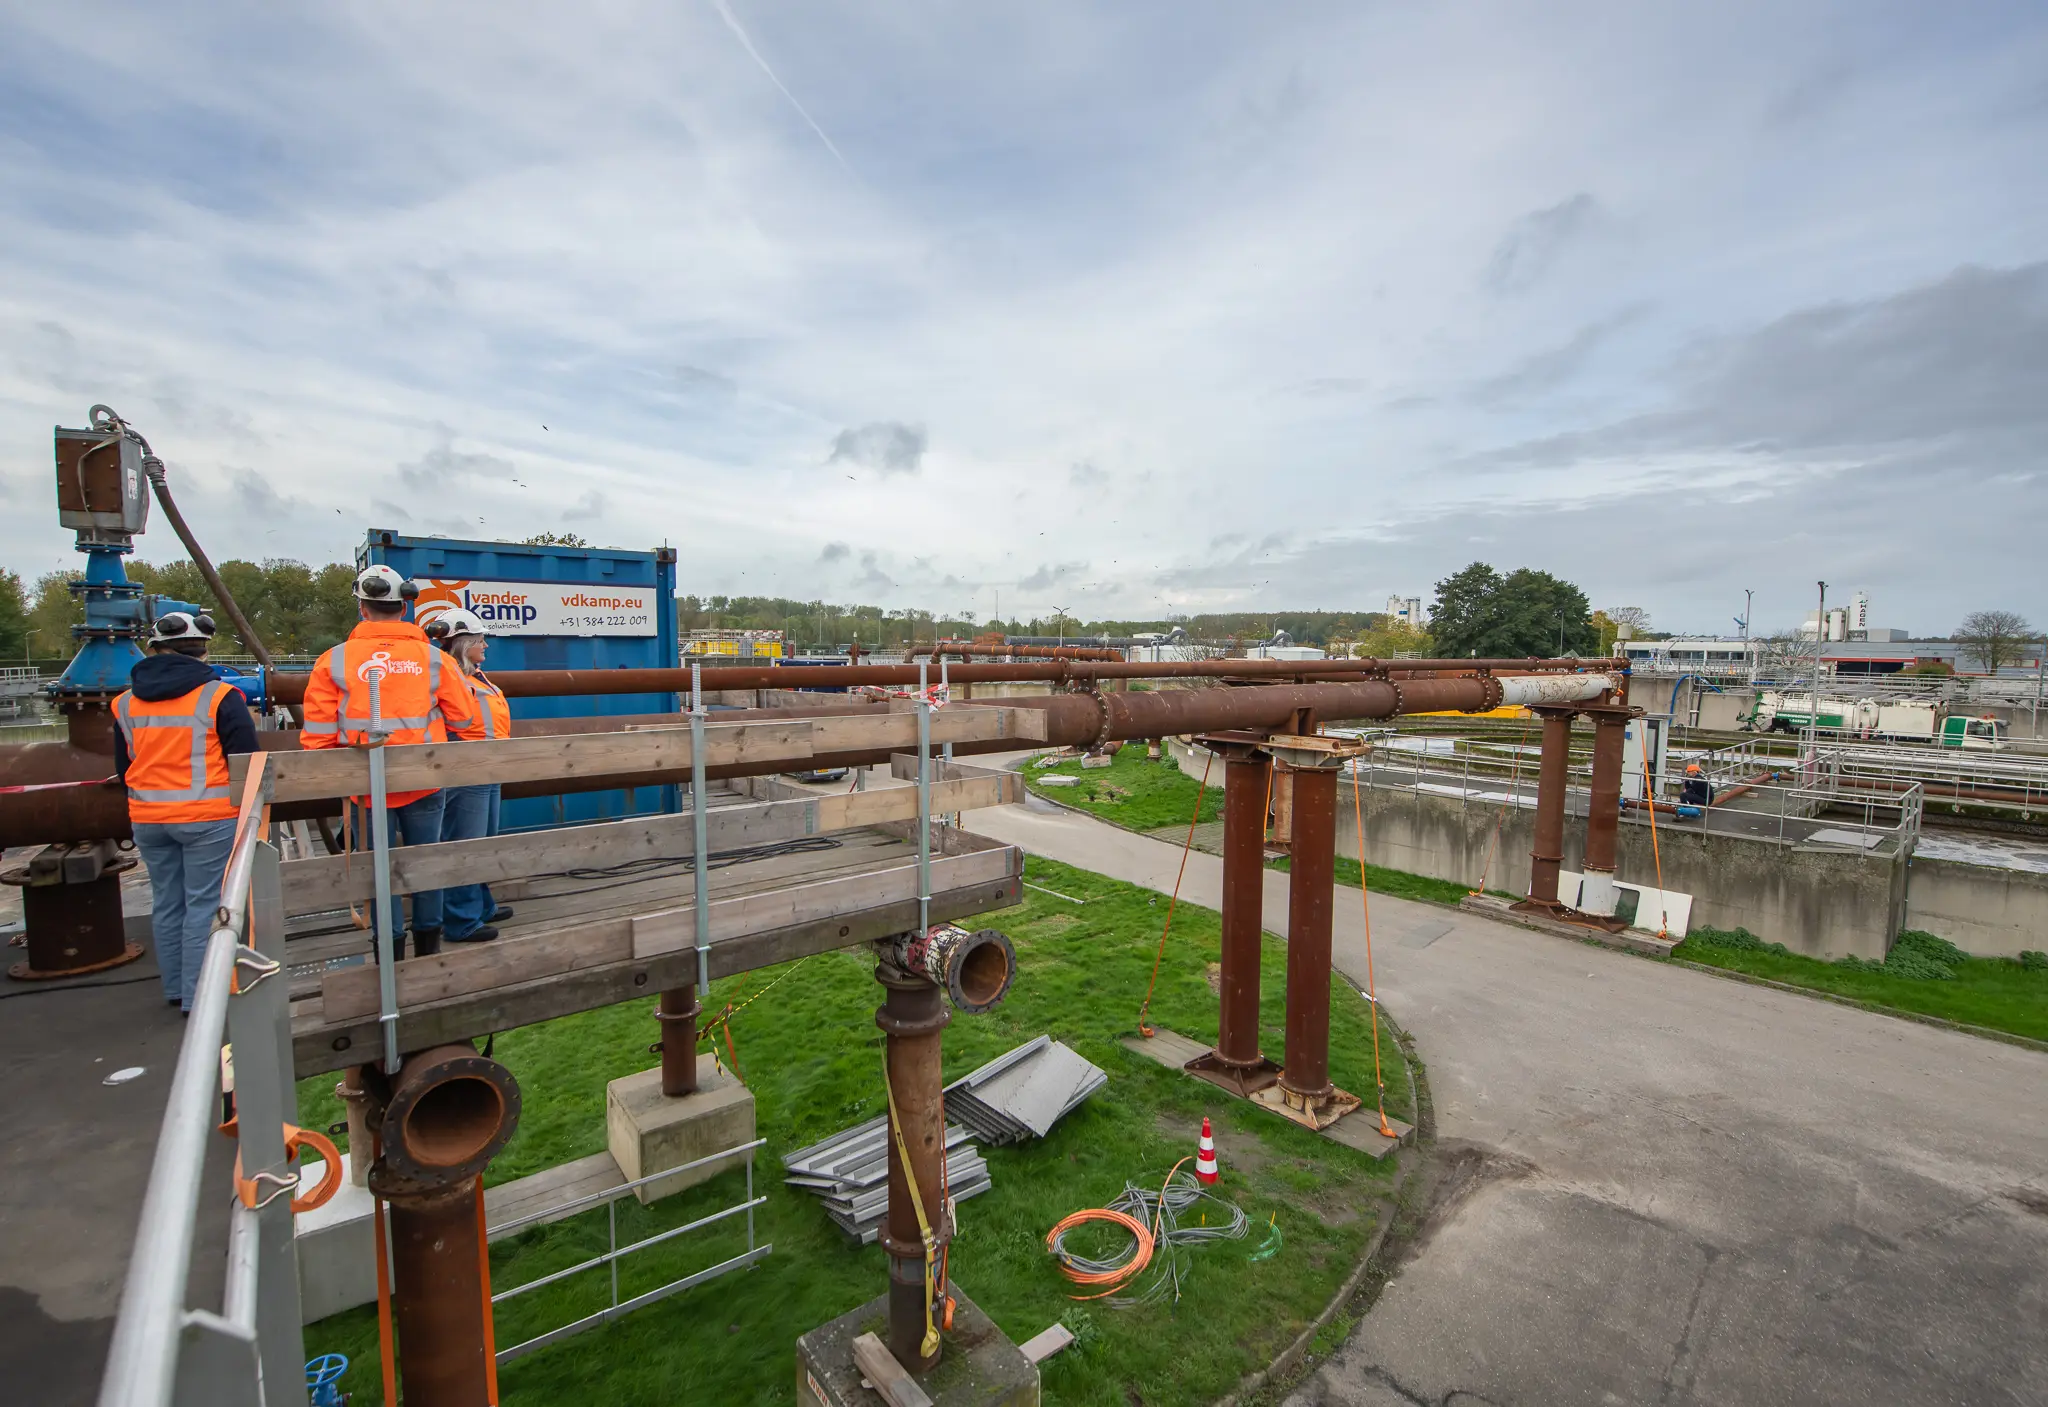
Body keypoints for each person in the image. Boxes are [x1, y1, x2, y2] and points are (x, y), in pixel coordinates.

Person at [302, 565, 486, 958]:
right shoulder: (434, 661)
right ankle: (427, 951)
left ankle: (389, 953)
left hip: (365, 787)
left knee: (378, 873)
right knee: (425, 866)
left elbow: (315, 740)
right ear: (404, 607)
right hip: (424, 782)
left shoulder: (332, 661)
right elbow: (465, 720)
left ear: (363, 609)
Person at [111, 612, 259, 1012]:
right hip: (207, 818)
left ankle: (176, 987)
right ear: (203, 650)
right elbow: (246, 760)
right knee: (205, 906)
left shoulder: (124, 703)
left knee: (167, 902)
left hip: (147, 818)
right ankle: (200, 1001)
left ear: (154, 648)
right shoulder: (219, 696)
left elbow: (125, 766)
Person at [428, 608, 512, 943]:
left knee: (484, 839)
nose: (486, 646)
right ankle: (461, 920)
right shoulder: (449, 675)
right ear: (463, 644)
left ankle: (480, 905)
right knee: (466, 841)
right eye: (480, 641)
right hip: (467, 765)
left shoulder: (474, 675)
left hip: (488, 763)